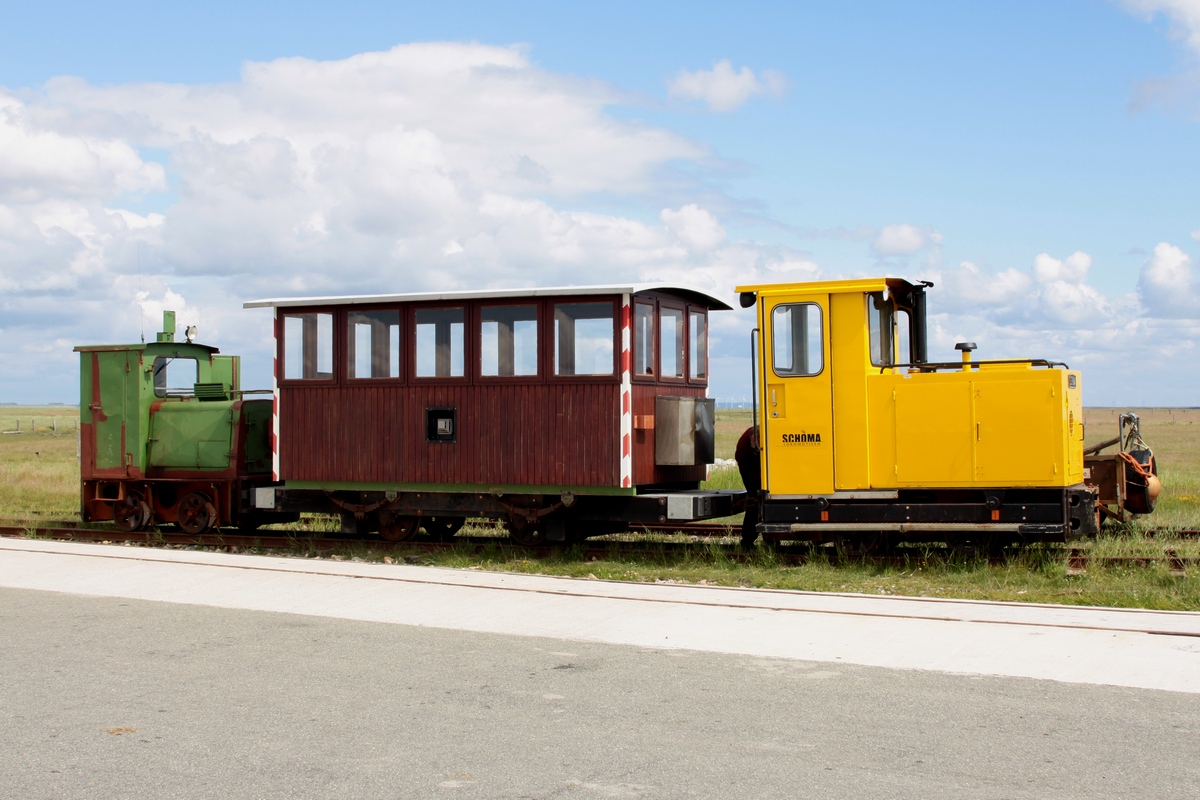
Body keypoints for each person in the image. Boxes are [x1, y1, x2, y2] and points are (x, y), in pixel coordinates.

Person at [734, 426, 761, 547]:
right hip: (751, 472)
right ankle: (747, 540)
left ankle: (772, 538)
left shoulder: (770, 436)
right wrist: (754, 487)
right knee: (754, 502)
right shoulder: (743, 446)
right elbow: (745, 469)